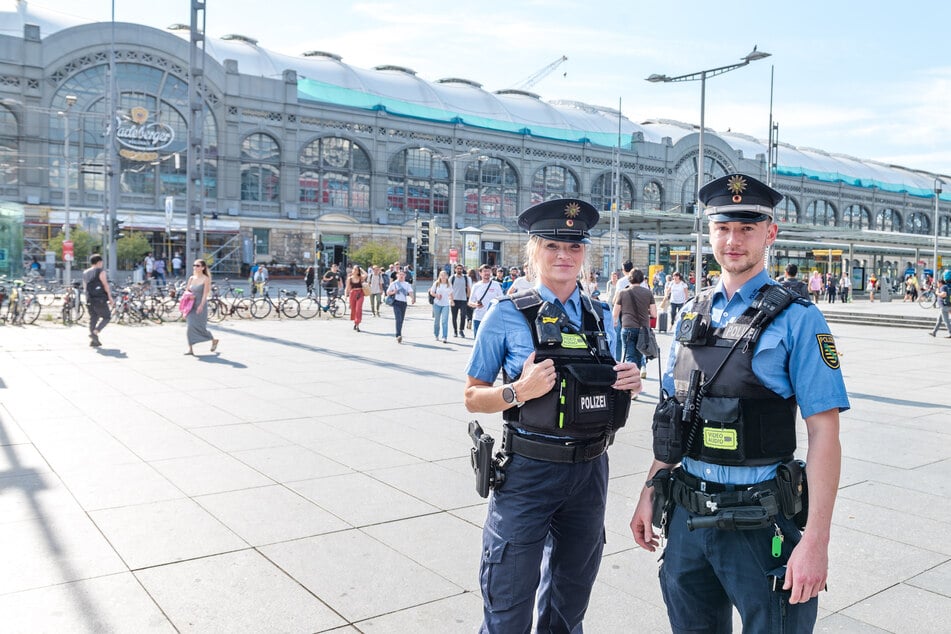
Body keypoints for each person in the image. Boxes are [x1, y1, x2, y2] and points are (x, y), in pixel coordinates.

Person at [630, 173, 850, 633]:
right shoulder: (691, 313)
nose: (733, 240)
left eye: (747, 228)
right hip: (688, 520)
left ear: (771, 233)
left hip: (760, 522)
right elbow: (674, 422)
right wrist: (650, 491)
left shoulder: (799, 319)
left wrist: (815, 542)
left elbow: (824, 434)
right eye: (723, 228)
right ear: (709, 232)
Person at [464, 198, 641, 633]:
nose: (565, 256)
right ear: (534, 250)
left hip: (590, 473)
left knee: (569, 604)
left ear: (585, 253)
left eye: (575, 247)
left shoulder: (601, 317)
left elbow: (598, 383)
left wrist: (627, 381)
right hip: (529, 473)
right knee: (508, 603)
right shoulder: (505, 314)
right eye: (552, 246)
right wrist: (518, 391)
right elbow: (472, 396)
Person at [613, 268, 656, 383]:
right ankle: (636, 380)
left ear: (629, 279)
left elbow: (615, 313)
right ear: (642, 279)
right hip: (643, 329)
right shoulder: (648, 293)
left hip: (627, 328)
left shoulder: (623, 292)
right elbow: (654, 313)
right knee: (638, 355)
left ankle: (631, 386)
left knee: (629, 357)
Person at [184, 259, 219, 355]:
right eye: (194, 265)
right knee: (190, 326)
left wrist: (201, 305)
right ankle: (190, 349)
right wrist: (189, 295)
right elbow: (186, 291)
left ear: (203, 268)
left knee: (200, 327)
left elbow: (205, 294)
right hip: (190, 306)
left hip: (200, 305)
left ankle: (213, 340)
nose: (195, 267)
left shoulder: (206, 279)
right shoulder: (191, 278)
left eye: (198, 265)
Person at [82, 254, 114, 347]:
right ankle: (95, 332)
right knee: (107, 317)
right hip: (99, 299)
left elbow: (85, 287)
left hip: (89, 299)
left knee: (93, 317)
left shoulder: (85, 272)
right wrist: (110, 297)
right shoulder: (101, 271)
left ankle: (94, 341)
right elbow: (105, 285)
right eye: (101, 262)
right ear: (99, 262)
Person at [468, 264, 504, 337]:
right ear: (480, 273)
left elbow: (502, 299)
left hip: (492, 318)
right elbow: (470, 302)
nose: (487, 273)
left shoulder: (496, 285)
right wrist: (476, 305)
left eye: (488, 271)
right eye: (485, 271)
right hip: (478, 317)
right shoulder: (476, 286)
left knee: (490, 341)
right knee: (478, 340)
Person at [385, 270, 415, 343]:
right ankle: (398, 335)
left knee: (401, 320)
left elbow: (410, 292)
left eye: (403, 275)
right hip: (396, 302)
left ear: (405, 276)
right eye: (400, 274)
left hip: (404, 303)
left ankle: (399, 333)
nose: (401, 276)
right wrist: (393, 292)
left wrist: (412, 298)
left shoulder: (407, 284)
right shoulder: (394, 283)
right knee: (398, 319)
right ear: (397, 275)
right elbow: (388, 292)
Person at [429, 269, 452, 343]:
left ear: (447, 276)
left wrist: (452, 300)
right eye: (442, 275)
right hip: (437, 304)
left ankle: (444, 337)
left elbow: (451, 293)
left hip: (446, 304)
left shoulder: (449, 284)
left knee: (444, 321)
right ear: (439, 276)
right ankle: (436, 335)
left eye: (445, 275)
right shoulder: (436, 283)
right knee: (437, 321)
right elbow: (431, 292)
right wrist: (436, 295)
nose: (443, 277)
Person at [449, 264, 471, 337]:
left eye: (460, 269)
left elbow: (468, 288)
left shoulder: (466, 278)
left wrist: (468, 299)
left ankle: (461, 330)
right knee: (454, 316)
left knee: (463, 315)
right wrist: (451, 300)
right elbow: (449, 289)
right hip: (454, 299)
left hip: (463, 300)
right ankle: (455, 331)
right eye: (458, 269)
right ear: (455, 269)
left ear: (462, 269)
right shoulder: (452, 278)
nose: (459, 270)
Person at [929, 270, 951, 337]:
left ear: (940, 283)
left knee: (946, 321)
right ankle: (934, 332)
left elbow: (944, 294)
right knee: (939, 320)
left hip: (944, 307)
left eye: (938, 283)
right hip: (945, 306)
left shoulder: (943, 287)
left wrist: (937, 293)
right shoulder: (944, 287)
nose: (937, 285)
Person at [345, 264, 366, 332]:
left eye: (356, 269)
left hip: (360, 293)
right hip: (352, 294)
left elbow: (366, 274)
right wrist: (346, 296)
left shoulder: (360, 277)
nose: (354, 270)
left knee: (358, 309)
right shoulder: (349, 278)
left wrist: (361, 268)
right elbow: (347, 288)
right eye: (354, 269)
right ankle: (355, 322)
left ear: (358, 271)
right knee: (353, 309)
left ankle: (357, 324)